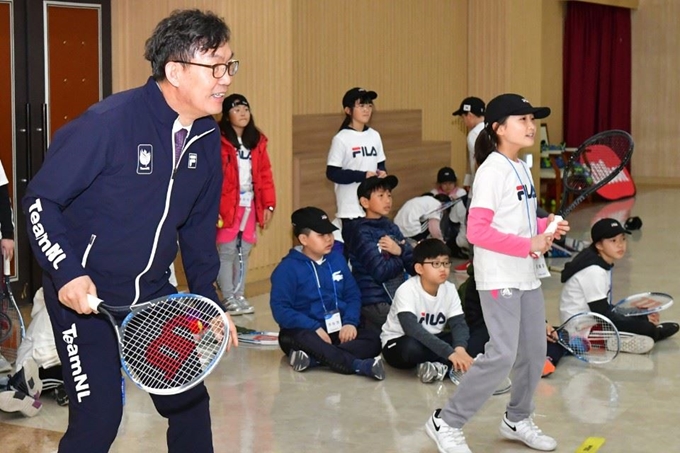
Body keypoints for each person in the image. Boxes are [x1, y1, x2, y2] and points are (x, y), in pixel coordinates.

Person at [21, 9, 238, 453]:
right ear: (175, 71)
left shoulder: (206, 140)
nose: (225, 78)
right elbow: (40, 201)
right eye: (214, 66)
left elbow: (197, 232)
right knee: (99, 420)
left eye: (229, 65)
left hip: (154, 299)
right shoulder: (108, 124)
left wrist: (209, 304)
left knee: (190, 406)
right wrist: (66, 272)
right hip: (88, 301)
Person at [426, 93, 569, 453]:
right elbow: (477, 232)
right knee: (502, 354)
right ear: (498, 127)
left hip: (527, 273)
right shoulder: (491, 170)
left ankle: (517, 418)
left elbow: (518, 220)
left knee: (535, 351)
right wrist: (529, 244)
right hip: (499, 277)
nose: (531, 126)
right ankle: (447, 420)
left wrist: (545, 225)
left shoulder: (520, 165)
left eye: (532, 120)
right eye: (522, 120)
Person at [269, 207, 384, 380]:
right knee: (302, 339)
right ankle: (357, 365)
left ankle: (314, 359)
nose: (329, 239)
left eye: (329, 233)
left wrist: (350, 323)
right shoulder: (287, 269)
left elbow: (352, 294)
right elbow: (281, 310)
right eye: (321, 235)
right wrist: (313, 327)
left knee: (374, 340)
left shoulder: (337, 260)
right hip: (305, 332)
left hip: (338, 330)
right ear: (303, 239)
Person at [559, 218, 679, 353]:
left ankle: (622, 337)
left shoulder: (601, 263)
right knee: (647, 329)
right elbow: (603, 314)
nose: (620, 245)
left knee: (640, 317)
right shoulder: (594, 271)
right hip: (581, 329)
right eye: (613, 241)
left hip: (594, 319)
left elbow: (605, 308)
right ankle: (649, 334)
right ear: (599, 245)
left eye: (622, 239)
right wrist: (641, 324)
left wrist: (640, 316)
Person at [380, 239, 473, 383]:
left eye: (446, 263)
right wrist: (450, 353)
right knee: (411, 348)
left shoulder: (449, 288)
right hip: (399, 343)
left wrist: (459, 349)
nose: (443, 269)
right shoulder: (407, 290)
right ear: (419, 269)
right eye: (436, 264)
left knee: (472, 338)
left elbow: (458, 323)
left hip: (433, 339)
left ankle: (437, 368)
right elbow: (412, 329)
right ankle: (447, 364)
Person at [216, 93, 276, 316]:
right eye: (236, 109)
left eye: (245, 109)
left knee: (245, 249)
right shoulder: (219, 139)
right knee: (227, 250)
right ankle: (228, 296)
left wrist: (268, 205)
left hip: (250, 203)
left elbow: (265, 174)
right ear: (226, 114)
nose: (242, 113)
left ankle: (240, 294)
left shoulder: (257, 141)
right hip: (227, 205)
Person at [347, 175, 415, 332]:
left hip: (397, 297)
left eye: (389, 195)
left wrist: (399, 250)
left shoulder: (391, 227)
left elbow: (413, 265)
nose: (388, 200)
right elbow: (380, 272)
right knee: (413, 329)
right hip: (374, 301)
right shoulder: (360, 232)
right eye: (381, 196)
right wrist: (401, 255)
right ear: (365, 202)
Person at [326, 87, 387, 252]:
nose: (366, 109)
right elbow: (332, 172)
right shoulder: (341, 138)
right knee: (354, 255)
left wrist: (382, 173)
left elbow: (380, 163)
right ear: (348, 110)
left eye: (369, 105)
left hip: (372, 207)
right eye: (361, 105)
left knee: (372, 254)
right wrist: (362, 175)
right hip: (350, 208)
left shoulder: (374, 135)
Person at [1, 288, 68, 417]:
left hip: (37, 363)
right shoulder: (57, 310)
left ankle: (19, 387)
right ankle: (22, 387)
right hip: (39, 365)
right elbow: (43, 354)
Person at [431, 167, 469, 260]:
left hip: (456, 224)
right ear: (440, 184)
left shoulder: (461, 193)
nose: (448, 186)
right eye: (444, 183)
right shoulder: (434, 193)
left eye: (450, 183)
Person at [451, 97, 485, 191]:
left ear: (469, 115)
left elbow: (481, 161)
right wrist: (468, 180)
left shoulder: (474, 134)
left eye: (463, 117)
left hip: (481, 187)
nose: (463, 121)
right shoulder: (494, 128)